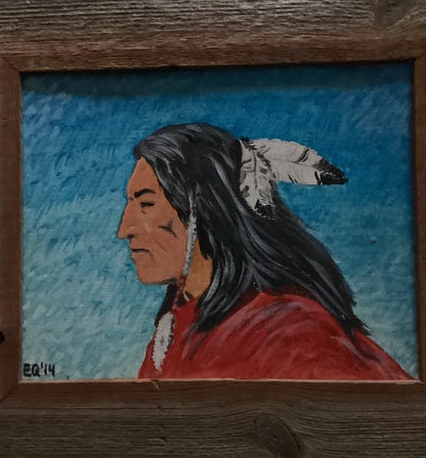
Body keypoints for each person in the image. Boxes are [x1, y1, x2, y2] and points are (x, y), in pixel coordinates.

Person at [117, 123, 410, 379]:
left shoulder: (292, 334)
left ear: (203, 210)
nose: (125, 229)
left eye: (146, 204)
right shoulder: (173, 330)